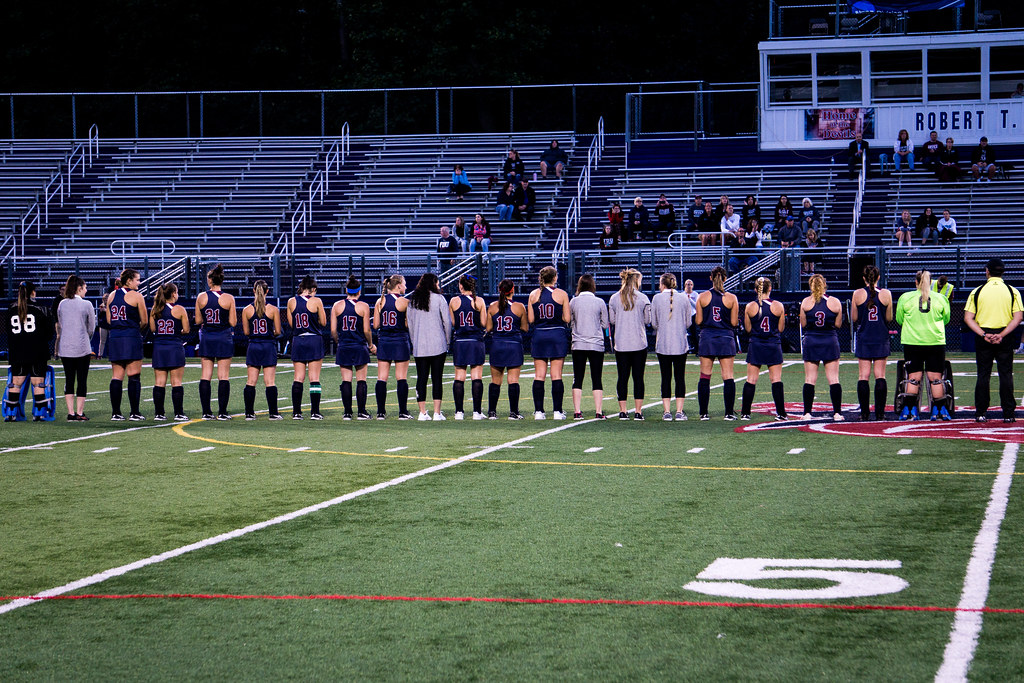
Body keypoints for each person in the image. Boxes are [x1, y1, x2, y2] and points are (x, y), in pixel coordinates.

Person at [964, 258, 1023, 423]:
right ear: (1003, 272)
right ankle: (1009, 414)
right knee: (1005, 375)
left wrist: (983, 334)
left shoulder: (978, 291)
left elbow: (968, 318)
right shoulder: (1012, 291)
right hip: (1005, 336)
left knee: (983, 375)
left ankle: (981, 412)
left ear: (987, 271)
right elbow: (1018, 317)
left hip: (984, 337)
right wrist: (1002, 335)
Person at [895, 271, 952, 421]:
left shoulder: (905, 297)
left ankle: (909, 409)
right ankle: (939, 410)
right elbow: (946, 319)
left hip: (912, 341)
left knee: (913, 377)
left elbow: (899, 319)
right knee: (936, 378)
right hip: (935, 341)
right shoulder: (941, 298)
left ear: (916, 282)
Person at [3, 281, 55, 422]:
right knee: (38, 382)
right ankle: (39, 413)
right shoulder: (41, 309)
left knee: (16, 382)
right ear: (33, 292)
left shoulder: (11, 308)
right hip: (37, 350)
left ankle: (11, 413)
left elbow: (7, 331)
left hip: (17, 350)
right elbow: (50, 333)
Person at [740, 276, 788, 421]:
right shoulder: (778, 305)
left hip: (756, 344)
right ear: (770, 288)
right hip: (773, 344)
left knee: (751, 380)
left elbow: (748, 329)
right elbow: (780, 328)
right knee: (776, 380)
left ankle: (745, 413)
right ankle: (781, 413)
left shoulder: (750, 306)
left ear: (755, 290)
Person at [695, 266, 739, 420]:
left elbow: (699, 321)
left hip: (707, 338)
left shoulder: (702, 296)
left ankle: (703, 413)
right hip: (725, 339)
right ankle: (728, 413)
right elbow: (734, 322)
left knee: (705, 376)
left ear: (710, 278)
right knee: (728, 376)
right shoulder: (732, 298)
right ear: (725, 278)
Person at [194, 264, 237, 420]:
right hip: (223, 337)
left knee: (206, 375)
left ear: (210, 280)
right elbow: (233, 322)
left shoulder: (201, 297)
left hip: (207, 336)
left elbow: (198, 320)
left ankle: (206, 412)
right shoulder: (229, 298)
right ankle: (223, 412)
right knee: (223, 376)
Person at [528, 266, 571, 420]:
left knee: (539, 375)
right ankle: (557, 412)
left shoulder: (533, 294)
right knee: (556, 375)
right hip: (556, 335)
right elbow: (567, 319)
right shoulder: (562, 294)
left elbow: (531, 320)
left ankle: (539, 411)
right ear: (555, 278)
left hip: (539, 335)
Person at [608, 268, 651, 420]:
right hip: (639, 342)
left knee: (622, 377)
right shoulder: (643, 298)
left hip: (621, 343)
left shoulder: (614, 298)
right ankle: (638, 412)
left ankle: (623, 411)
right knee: (638, 377)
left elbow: (612, 321)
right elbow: (647, 321)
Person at [331, 275, 376, 420]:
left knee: (346, 380)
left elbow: (332, 330)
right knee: (361, 379)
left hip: (344, 345)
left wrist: (339, 341)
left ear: (346, 290)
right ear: (359, 291)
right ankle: (361, 411)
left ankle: (347, 412)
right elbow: (366, 330)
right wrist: (370, 344)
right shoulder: (363, 306)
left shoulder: (337, 306)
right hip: (359, 345)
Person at [407, 273, 451, 421]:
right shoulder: (439, 299)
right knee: (437, 378)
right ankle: (437, 413)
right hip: (438, 344)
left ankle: (422, 412)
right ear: (434, 283)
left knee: (422, 378)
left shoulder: (413, 300)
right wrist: (447, 341)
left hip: (420, 346)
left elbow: (410, 325)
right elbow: (447, 323)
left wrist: (414, 342)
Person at [800, 274, 844, 421]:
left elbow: (804, 324)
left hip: (812, 340)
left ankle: (807, 413)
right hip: (829, 340)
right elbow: (838, 325)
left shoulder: (806, 302)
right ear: (825, 284)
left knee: (810, 379)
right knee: (833, 378)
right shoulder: (835, 302)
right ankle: (837, 413)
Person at [850, 265, 892, 421]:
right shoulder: (886, 294)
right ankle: (880, 413)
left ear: (864, 278)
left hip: (865, 337)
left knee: (863, 376)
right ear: (879, 277)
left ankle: (865, 413)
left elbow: (854, 318)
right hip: (881, 336)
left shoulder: (857, 294)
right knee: (880, 375)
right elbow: (889, 318)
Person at [107, 269, 148, 421]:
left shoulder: (112, 295)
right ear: (129, 280)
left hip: (115, 337)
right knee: (134, 376)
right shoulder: (137, 296)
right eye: (137, 280)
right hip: (131, 336)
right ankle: (134, 412)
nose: (139, 282)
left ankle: (116, 413)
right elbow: (144, 321)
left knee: (117, 376)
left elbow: (109, 320)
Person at [651, 272, 691, 421]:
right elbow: (688, 323)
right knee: (680, 377)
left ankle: (667, 411)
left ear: (662, 284)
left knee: (665, 377)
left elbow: (654, 323)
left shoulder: (657, 298)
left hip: (663, 344)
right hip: (680, 343)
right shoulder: (683, 298)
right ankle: (679, 411)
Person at [487, 279, 529, 419]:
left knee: (495, 380)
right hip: (513, 346)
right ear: (513, 290)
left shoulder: (492, 307)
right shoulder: (519, 306)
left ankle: (492, 412)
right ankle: (513, 412)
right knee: (513, 380)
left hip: (497, 345)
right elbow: (525, 328)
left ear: (499, 290)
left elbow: (488, 328)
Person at [286, 275, 327, 420]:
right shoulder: (316, 301)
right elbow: (323, 322)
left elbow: (292, 324)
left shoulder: (291, 301)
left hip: (298, 339)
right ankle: (315, 412)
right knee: (314, 378)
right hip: (314, 339)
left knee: (298, 377)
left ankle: (296, 412)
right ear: (313, 289)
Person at [569, 274, 609, 420]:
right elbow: (605, 324)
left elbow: (570, 321)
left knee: (577, 378)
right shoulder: (599, 301)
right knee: (596, 378)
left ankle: (577, 411)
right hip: (596, 344)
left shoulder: (573, 301)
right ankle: (598, 412)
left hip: (578, 343)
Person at [241, 280, 282, 420]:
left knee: (251, 381)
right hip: (268, 346)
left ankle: (249, 413)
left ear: (253, 291)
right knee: (269, 381)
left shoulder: (246, 310)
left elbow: (246, 332)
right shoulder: (273, 309)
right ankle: (273, 413)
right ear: (267, 291)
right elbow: (277, 331)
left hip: (253, 346)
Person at [57, 275, 96, 421]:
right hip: (81, 346)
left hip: (66, 347)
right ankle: (80, 412)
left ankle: (71, 412)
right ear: (79, 288)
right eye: (85, 288)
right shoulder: (87, 304)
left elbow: (61, 323)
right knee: (81, 380)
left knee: (69, 379)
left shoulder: (62, 304)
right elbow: (91, 328)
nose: (86, 291)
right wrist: (85, 338)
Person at [373, 274, 412, 420]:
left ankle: (380, 412)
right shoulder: (405, 302)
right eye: (404, 284)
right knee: (401, 377)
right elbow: (408, 325)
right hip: (400, 340)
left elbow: (376, 325)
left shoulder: (380, 301)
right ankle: (403, 412)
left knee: (382, 378)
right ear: (398, 285)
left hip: (384, 341)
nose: (406, 287)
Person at [150, 282, 190, 421]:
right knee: (176, 382)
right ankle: (178, 413)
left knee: (159, 382)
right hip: (174, 347)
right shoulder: (179, 309)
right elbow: (186, 330)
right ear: (173, 294)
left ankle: (159, 413)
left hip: (159, 348)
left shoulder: (155, 309)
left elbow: (153, 329)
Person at [449, 275, 487, 420]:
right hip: (476, 341)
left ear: (460, 286)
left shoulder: (454, 301)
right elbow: (483, 323)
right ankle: (477, 412)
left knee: (459, 376)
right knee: (476, 376)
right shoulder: (480, 301)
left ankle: (459, 412)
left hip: (460, 341)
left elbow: (453, 322)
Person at [50, 284, 65, 360]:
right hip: (59, 321)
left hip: (67, 321)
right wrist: (57, 320)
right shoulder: (57, 299)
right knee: (59, 337)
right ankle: (56, 353)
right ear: (60, 290)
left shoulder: (68, 299)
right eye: (62, 289)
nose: (64, 291)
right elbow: (53, 311)